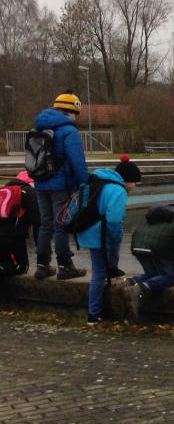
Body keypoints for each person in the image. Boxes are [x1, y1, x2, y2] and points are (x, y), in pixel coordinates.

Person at [30, 93, 89, 280]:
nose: (76, 118)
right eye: (76, 113)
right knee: (61, 224)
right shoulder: (68, 130)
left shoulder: (39, 126)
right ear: (70, 111)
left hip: (40, 182)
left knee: (45, 224)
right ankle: (65, 266)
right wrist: (85, 183)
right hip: (60, 184)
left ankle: (42, 266)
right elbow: (77, 161)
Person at [77, 156, 142, 325]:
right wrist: (115, 240)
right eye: (135, 182)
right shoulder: (118, 191)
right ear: (128, 180)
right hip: (100, 236)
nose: (135, 186)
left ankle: (100, 309)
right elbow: (114, 221)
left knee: (102, 271)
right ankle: (94, 314)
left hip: (88, 231)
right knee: (99, 274)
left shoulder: (100, 181)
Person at [120, 204, 174, 321]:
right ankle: (139, 289)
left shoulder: (159, 214)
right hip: (159, 246)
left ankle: (127, 283)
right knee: (170, 277)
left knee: (152, 275)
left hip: (137, 244)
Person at [0, 170, 40, 276]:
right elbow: (38, 223)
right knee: (20, 268)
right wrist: (40, 248)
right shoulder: (29, 192)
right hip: (13, 237)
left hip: (4, 236)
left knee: (5, 263)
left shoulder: (4, 190)